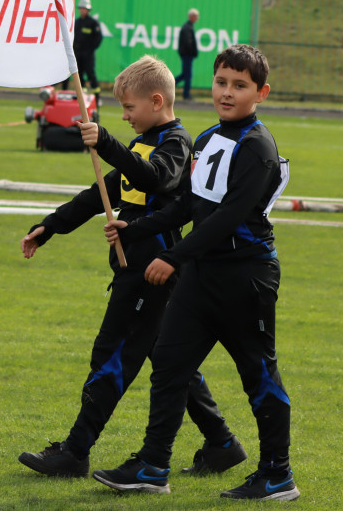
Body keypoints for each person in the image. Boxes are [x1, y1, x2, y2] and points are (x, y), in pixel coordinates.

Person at [18, 56, 246, 479]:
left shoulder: (177, 143)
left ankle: (75, 452)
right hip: (136, 271)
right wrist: (49, 227)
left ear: (157, 101)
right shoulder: (141, 140)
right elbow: (99, 193)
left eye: (130, 109)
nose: (124, 117)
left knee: (112, 355)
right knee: (170, 361)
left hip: (151, 272)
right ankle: (222, 443)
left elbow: (153, 178)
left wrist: (105, 142)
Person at [93, 44, 297, 501]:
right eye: (221, 82)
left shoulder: (258, 146)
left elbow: (229, 216)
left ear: (260, 92)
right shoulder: (206, 139)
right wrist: (138, 227)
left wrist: (174, 256)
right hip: (202, 277)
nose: (227, 92)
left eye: (239, 85)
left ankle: (277, 474)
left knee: (258, 373)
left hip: (246, 278)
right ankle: (152, 467)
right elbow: (190, 204)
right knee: (168, 365)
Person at [63, 0, 102, 93]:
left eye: (84, 9)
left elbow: (98, 38)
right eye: (81, 8)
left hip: (88, 55)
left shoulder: (93, 23)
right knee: (79, 74)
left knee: (90, 74)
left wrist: (90, 49)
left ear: (88, 10)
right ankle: (82, 96)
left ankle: (96, 97)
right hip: (78, 53)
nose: (82, 10)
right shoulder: (77, 22)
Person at [176, 8, 199, 101]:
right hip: (187, 55)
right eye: (196, 16)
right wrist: (192, 52)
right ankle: (186, 94)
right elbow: (187, 42)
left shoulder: (188, 26)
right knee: (187, 75)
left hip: (186, 54)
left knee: (185, 74)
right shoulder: (187, 27)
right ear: (191, 16)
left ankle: (170, 84)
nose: (197, 18)